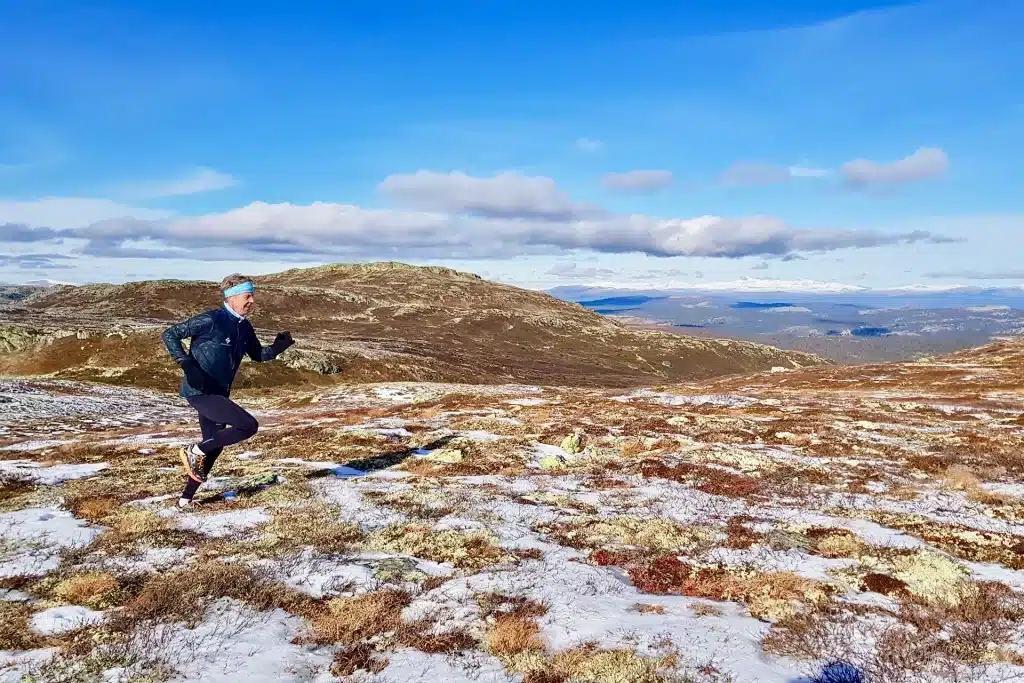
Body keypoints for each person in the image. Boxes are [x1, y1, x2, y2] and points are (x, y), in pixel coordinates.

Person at [162, 274, 295, 508]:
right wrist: (186, 363)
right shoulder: (211, 320)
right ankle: (194, 450)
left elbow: (257, 355)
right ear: (232, 297)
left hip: (220, 393)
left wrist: (276, 348)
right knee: (247, 426)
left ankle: (185, 500)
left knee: (213, 446)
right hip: (200, 391)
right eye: (248, 296)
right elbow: (170, 333)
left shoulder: (244, 328)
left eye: (252, 295)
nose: (252, 301)